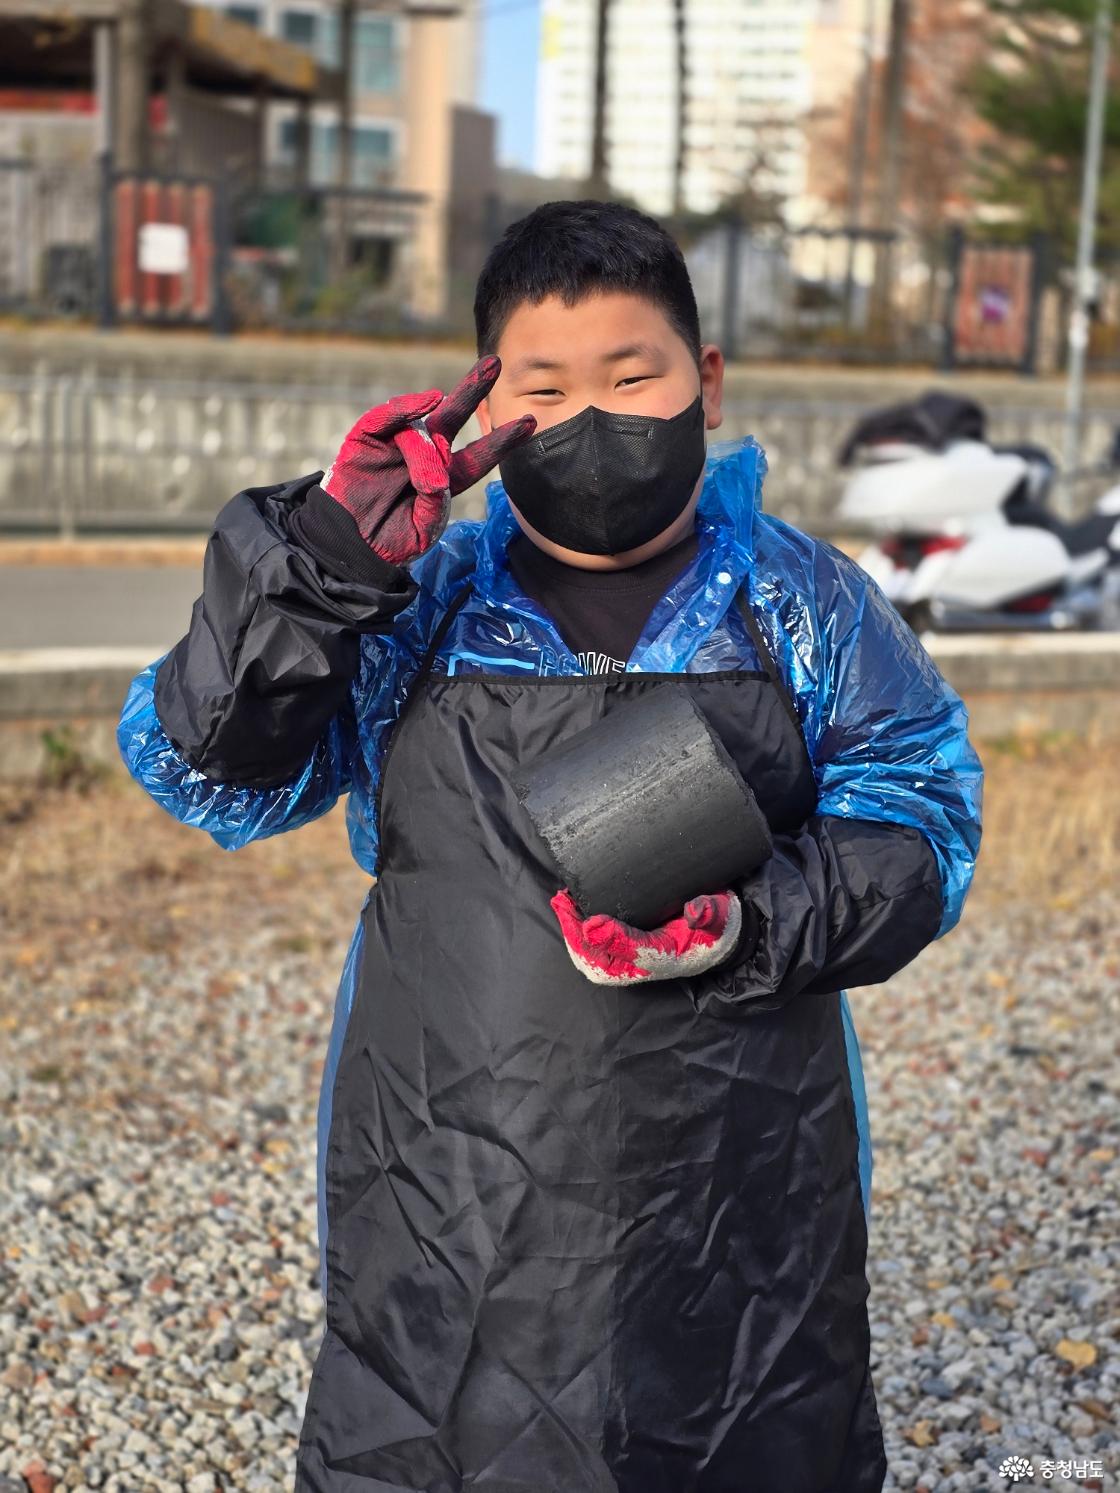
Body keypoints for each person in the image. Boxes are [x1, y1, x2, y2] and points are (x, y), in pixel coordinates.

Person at [117, 199, 984, 1493]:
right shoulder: (422, 604)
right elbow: (207, 769)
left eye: (633, 375)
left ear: (710, 382)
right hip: (451, 1179)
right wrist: (322, 567)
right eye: (545, 386)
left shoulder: (799, 600)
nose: (593, 417)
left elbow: (922, 822)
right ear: (484, 407)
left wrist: (754, 922)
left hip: (738, 1190)